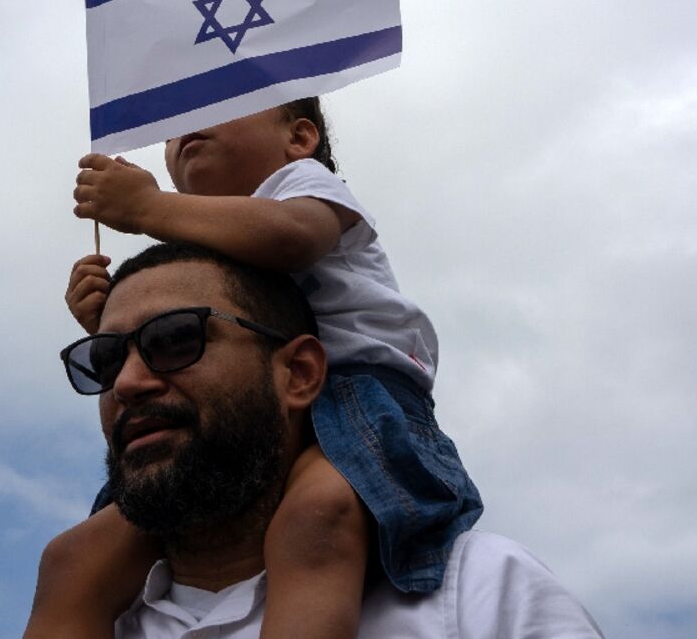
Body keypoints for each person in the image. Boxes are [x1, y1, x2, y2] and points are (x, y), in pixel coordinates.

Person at [30, 98, 482, 638]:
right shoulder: (197, 245)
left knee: (315, 520)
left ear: (299, 138)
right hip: (253, 409)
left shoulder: (302, 185)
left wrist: (148, 208)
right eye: (173, 130)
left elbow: (291, 236)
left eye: (223, 104)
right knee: (73, 557)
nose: (186, 128)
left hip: (361, 397)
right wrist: (109, 326)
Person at [33, 242, 602, 637]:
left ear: (299, 374)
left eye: (177, 338)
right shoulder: (84, 612)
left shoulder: (482, 596)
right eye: (105, 359)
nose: (128, 382)